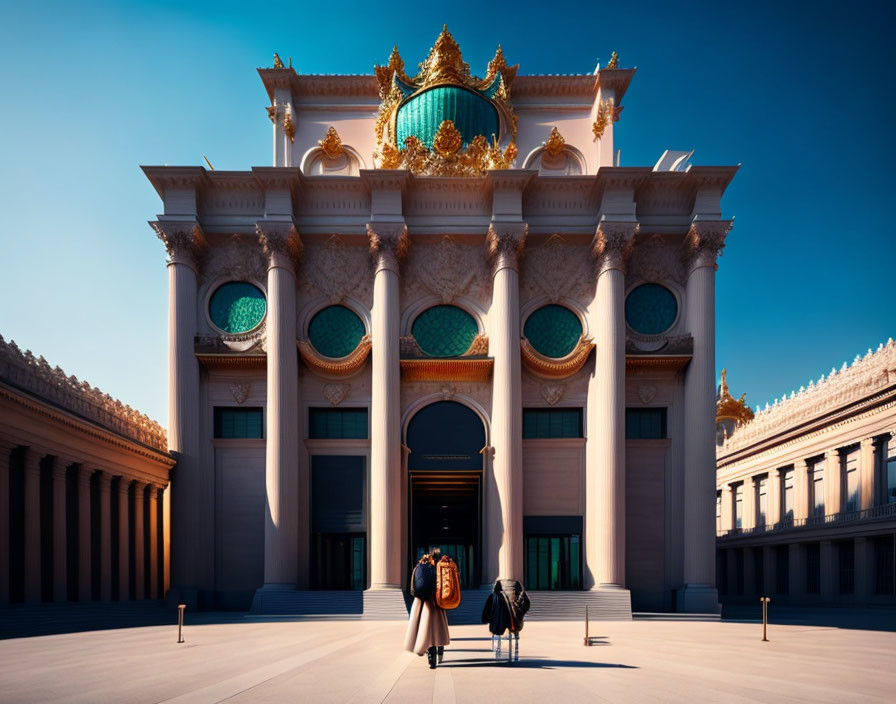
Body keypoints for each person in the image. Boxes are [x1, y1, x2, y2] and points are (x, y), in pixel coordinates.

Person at [404, 547, 450, 668]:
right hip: (437, 601)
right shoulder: (441, 567)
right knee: (438, 630)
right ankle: (439, 651)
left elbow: (414, 585)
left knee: (425, 629)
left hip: (423, 601)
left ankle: (430, 655)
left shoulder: (421, 565)